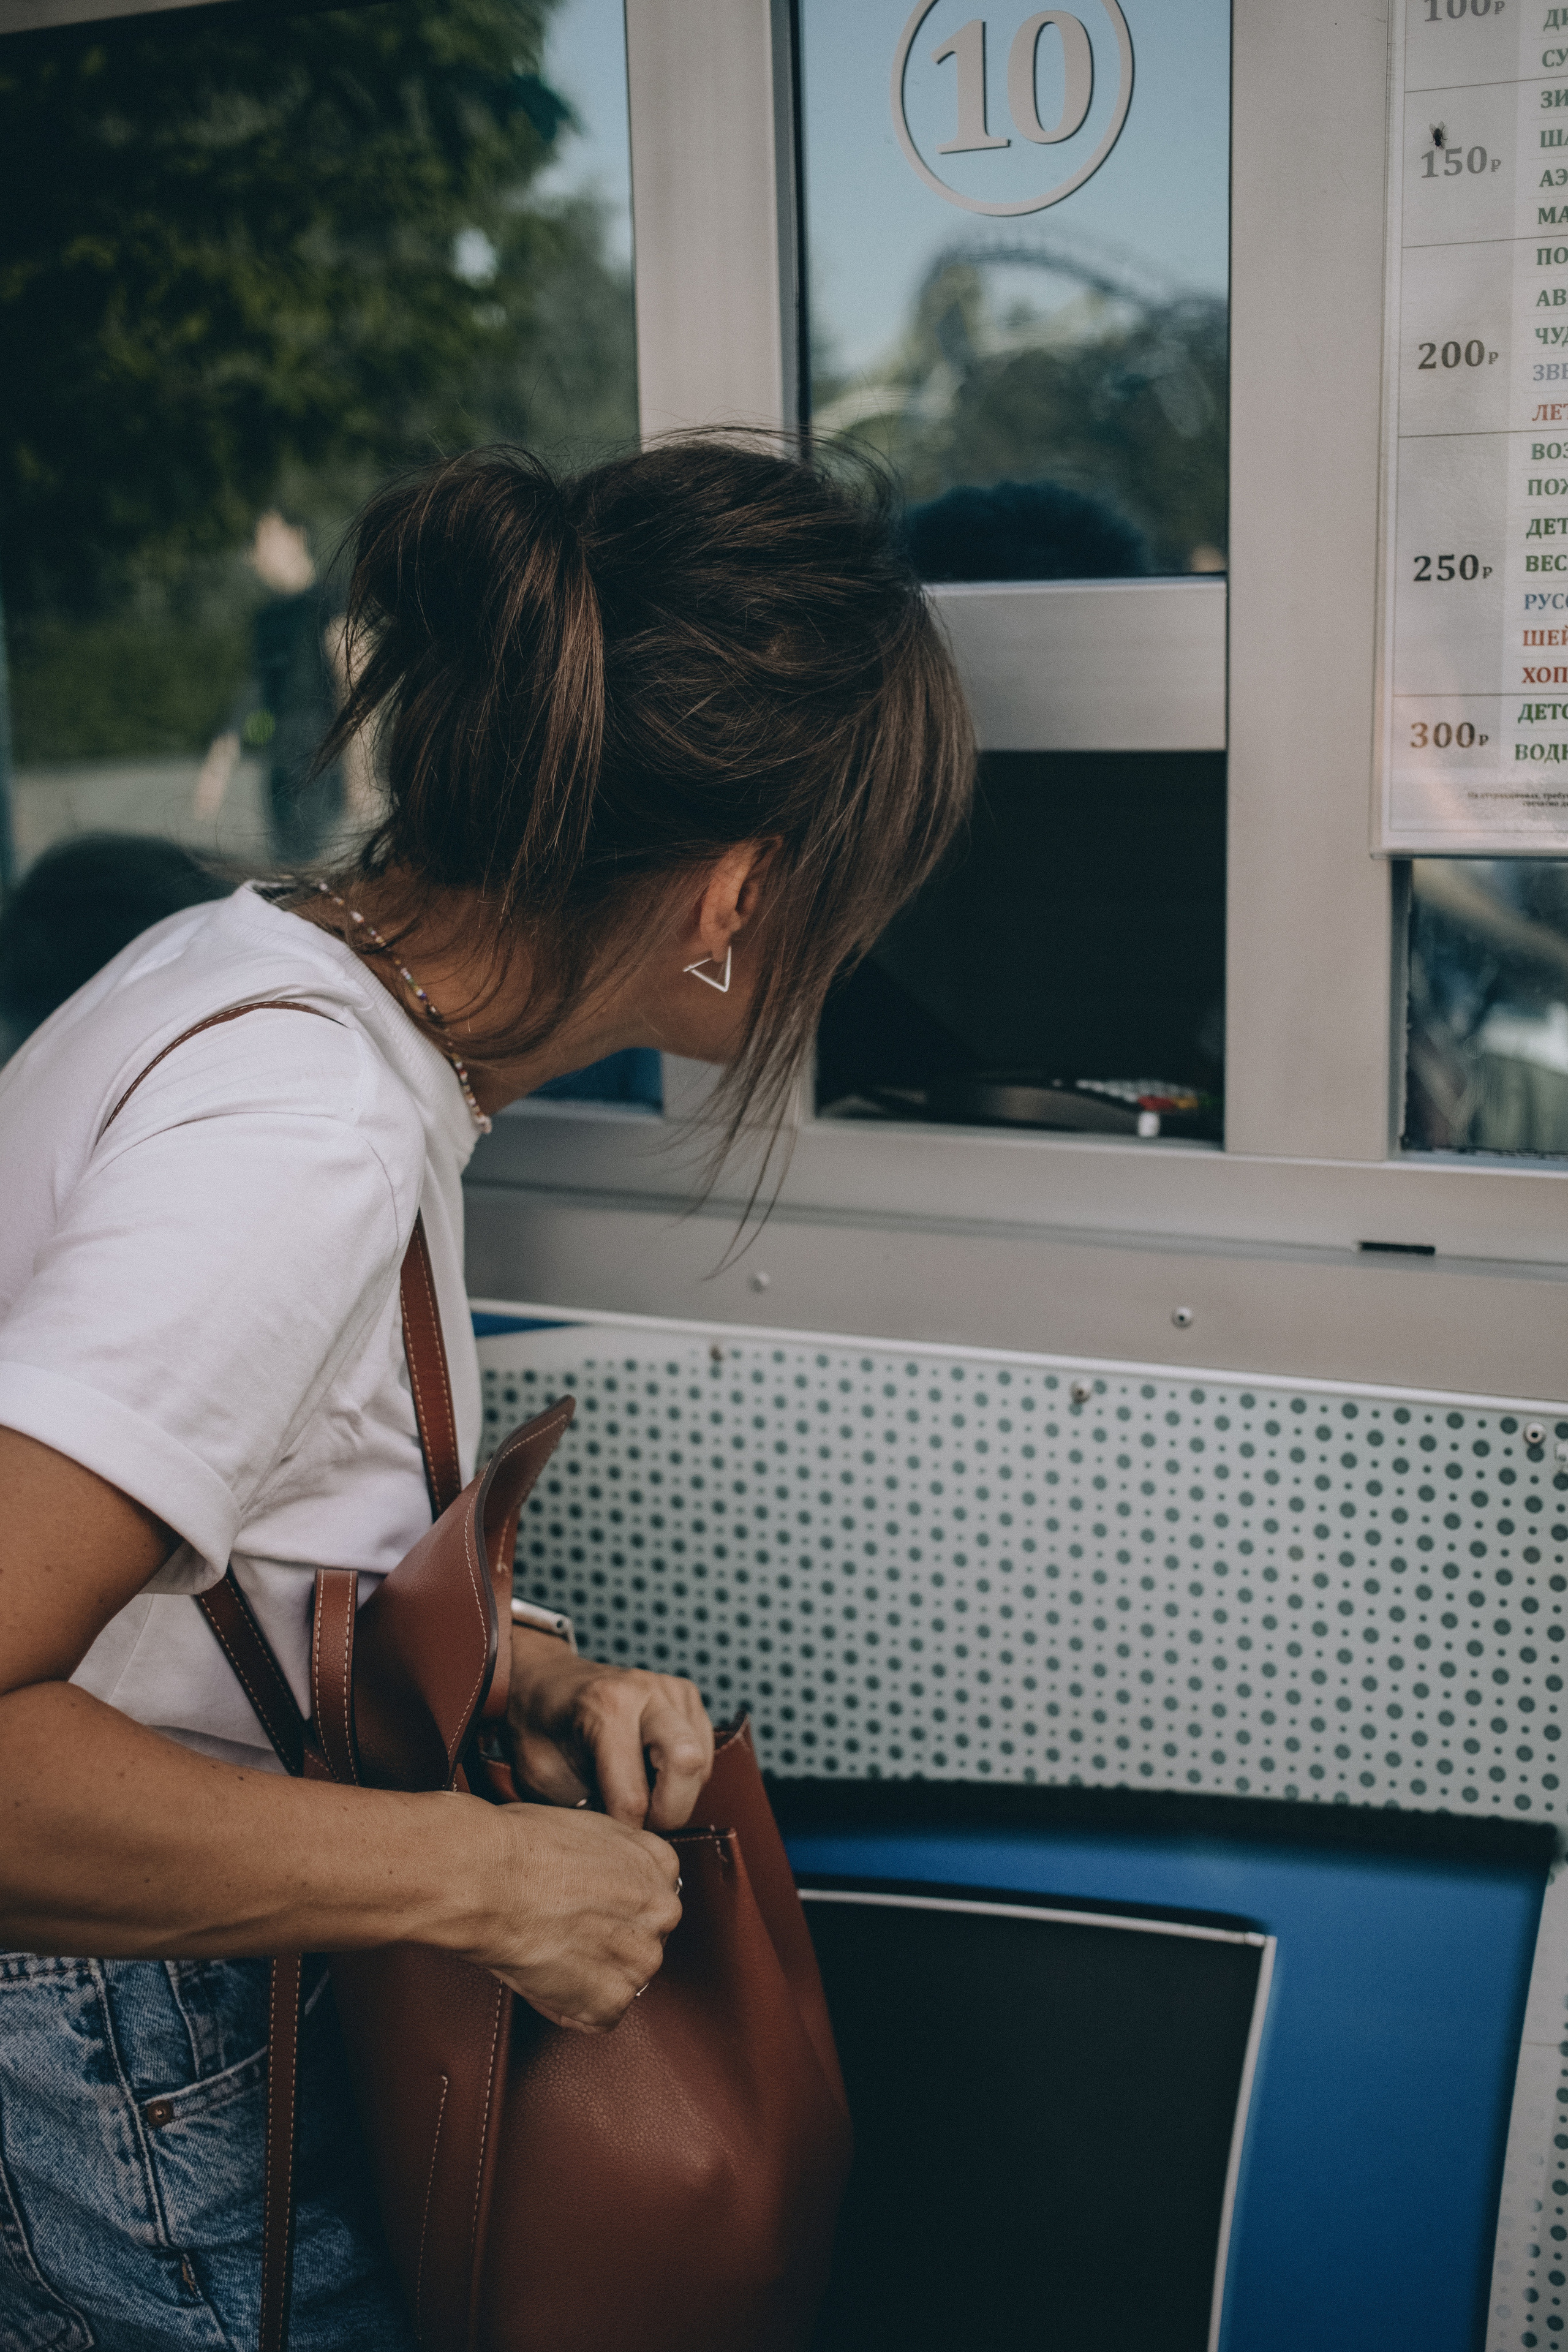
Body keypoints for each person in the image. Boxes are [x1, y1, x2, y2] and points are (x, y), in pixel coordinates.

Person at [0, 438, 974, 2350]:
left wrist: (517, 1668)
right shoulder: (310, 1132)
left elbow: (223, 1504)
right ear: (742, 887)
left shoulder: (274, 975)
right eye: (856, 893)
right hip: (143, 2072)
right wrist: (490, 1879)